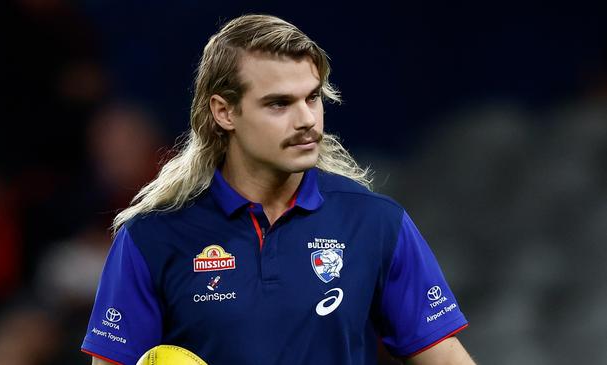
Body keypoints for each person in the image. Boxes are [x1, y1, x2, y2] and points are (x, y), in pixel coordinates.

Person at [81, 14, 475, 365]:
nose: (306, 119)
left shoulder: (377, 223)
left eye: (312, 97)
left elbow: (444, 357)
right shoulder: (150, 237)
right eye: (279, 104)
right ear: (224, 112)